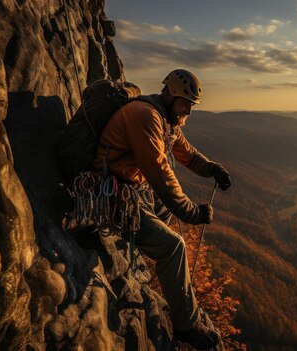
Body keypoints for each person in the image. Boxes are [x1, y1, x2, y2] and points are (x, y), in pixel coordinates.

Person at [93, 69, 231, 349]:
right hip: (109, 195)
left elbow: (187, 154)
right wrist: (192, 212)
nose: (188, 111)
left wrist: (211, 169)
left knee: (165, 221)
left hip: (129, 189)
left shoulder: (166, 118)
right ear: (170, 95)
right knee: (174, 246)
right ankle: (186, 325)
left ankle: (167, 281)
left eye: (191, 106)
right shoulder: (146, 117)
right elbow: (160, 175)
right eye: (185, 104)